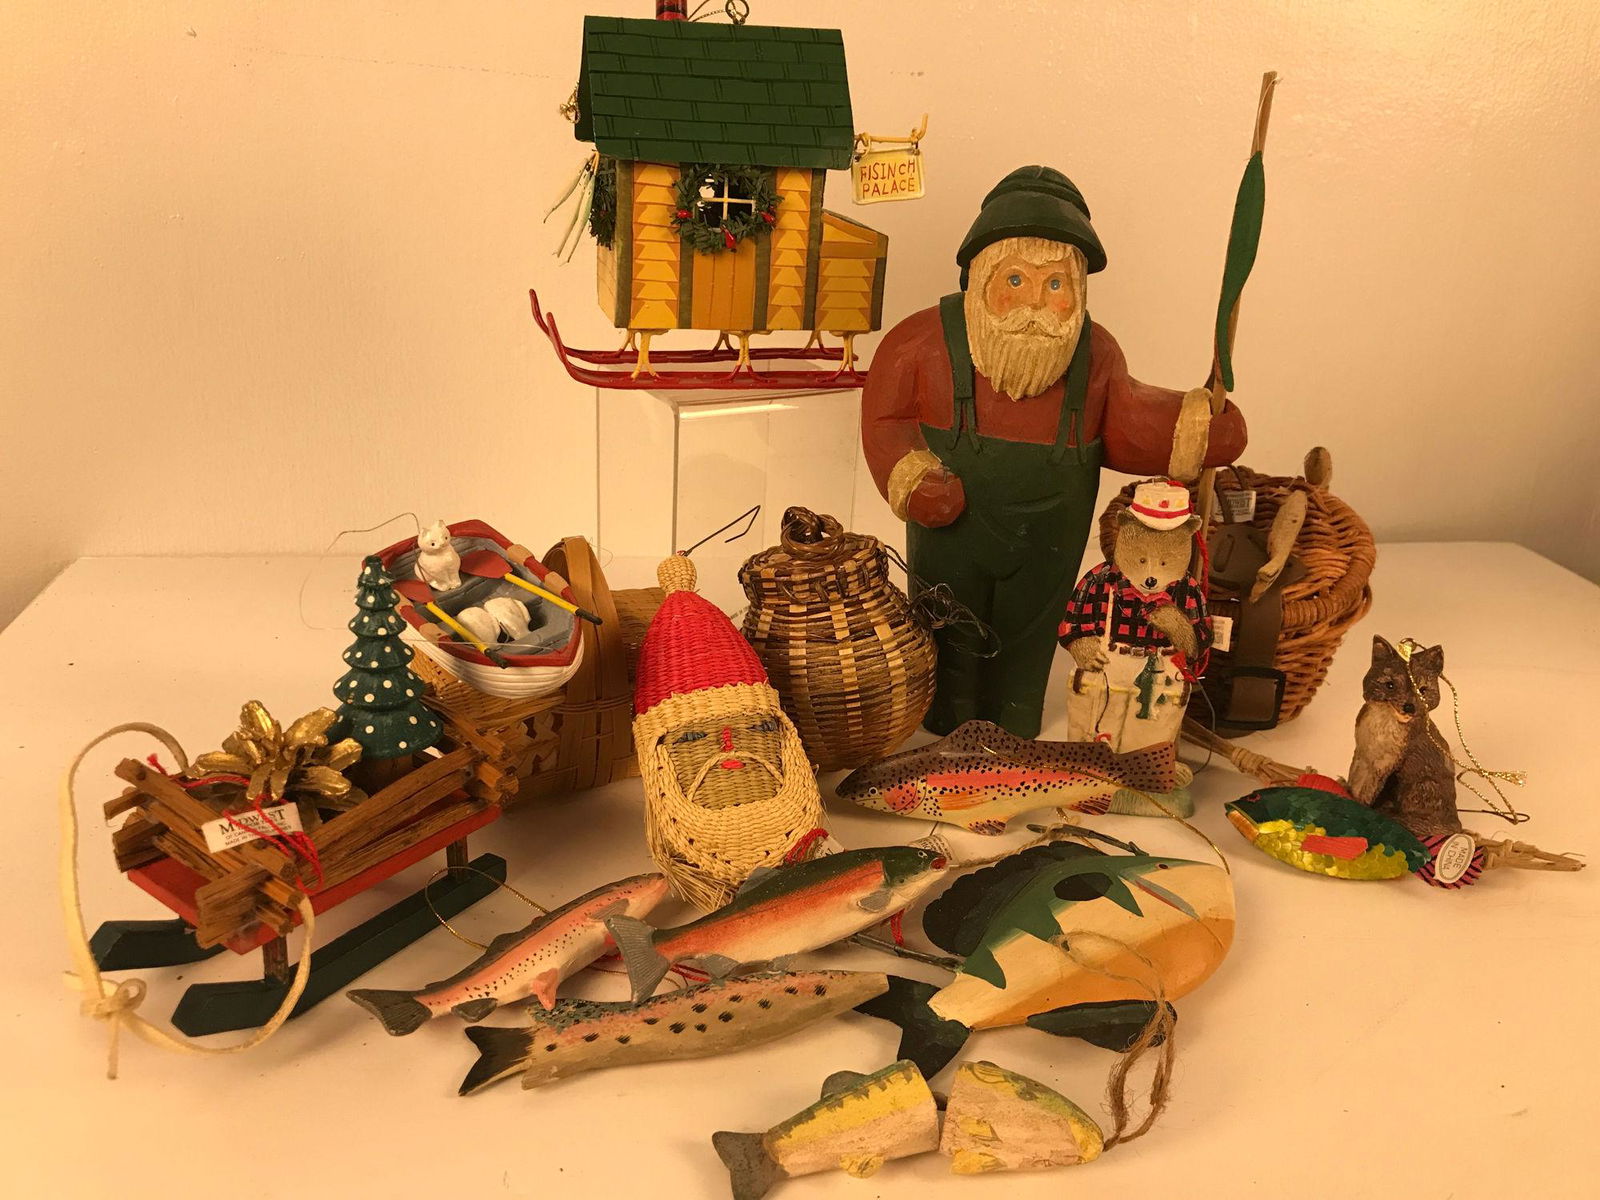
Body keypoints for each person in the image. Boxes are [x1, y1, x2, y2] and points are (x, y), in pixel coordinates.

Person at [861, 165, 1246, 737]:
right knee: (946, 622)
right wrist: (911, 477)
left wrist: (1195, 429)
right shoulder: (920, 341)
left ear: (1078, 290)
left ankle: (1016, 713)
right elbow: (885, 418)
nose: (1035, 303)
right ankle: (944, 714)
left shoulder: (1096, 355)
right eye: (1016, 280)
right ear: (980, 277)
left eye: (1056, 285)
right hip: (951, 533)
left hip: (1049, 540)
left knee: (1028, 631)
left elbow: (1130, 424)